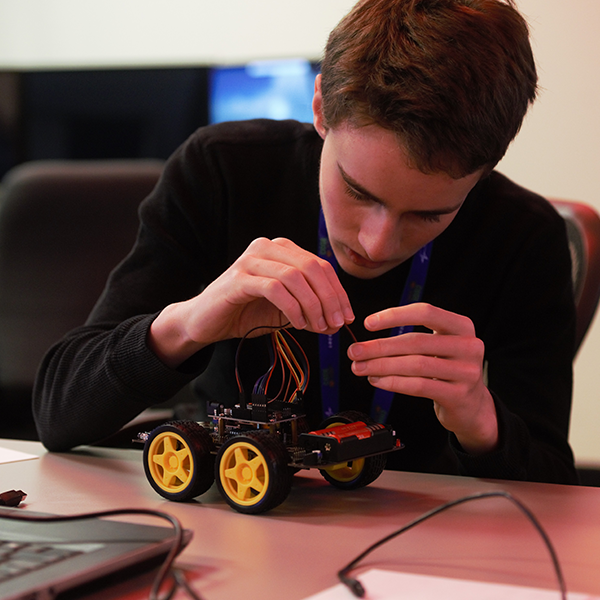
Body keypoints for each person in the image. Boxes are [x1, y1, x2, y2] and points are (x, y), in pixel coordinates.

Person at [33, 0, 578, 484]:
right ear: (320, 108)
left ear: (484, 172)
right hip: (237, 516)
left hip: (422, 537)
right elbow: (56, 416)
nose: (377, 244)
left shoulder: (524, 237)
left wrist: (483, 422)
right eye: (358, 191)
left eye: (430, 214)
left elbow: (557, 488)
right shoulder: (222, 171)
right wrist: (189, 323)